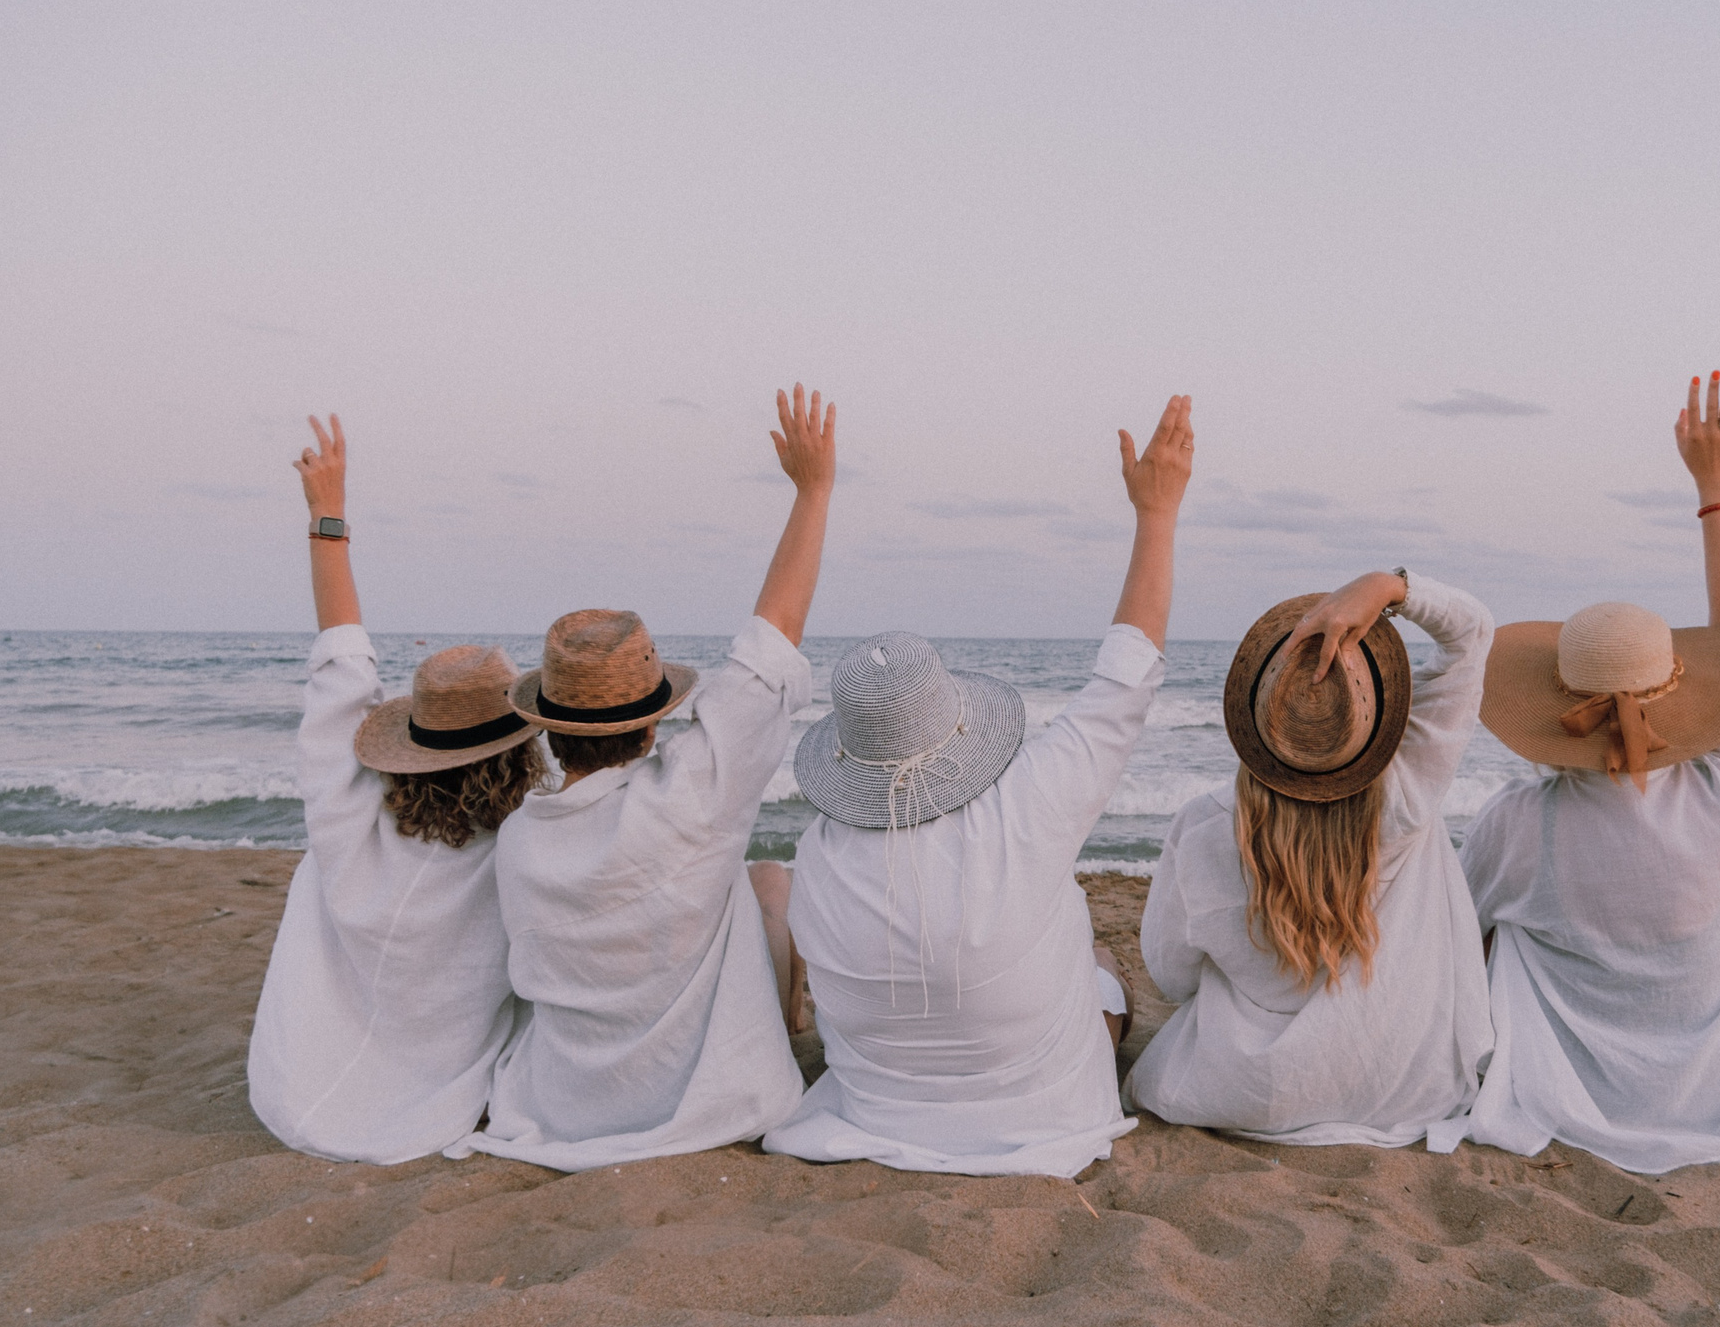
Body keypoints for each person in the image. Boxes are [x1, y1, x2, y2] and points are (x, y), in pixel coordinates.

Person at [763, 396, 1194, 1177]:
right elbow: (1129, 672)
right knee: (1101, 963)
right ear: (959, 729)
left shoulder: (818, 855)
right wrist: (1156, 513)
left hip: (874, 1111)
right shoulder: (1029, 803)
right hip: (1048, 1117)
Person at [446, 386, 836, 1171]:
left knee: (749, 880)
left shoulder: (521, 837)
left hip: (566, 1104)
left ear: (547, 729)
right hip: (713, 1097)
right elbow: (772, 641)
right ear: (657, 718)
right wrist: (814, 489)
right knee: (770, 882)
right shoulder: (696, 788)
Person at [1461, 372, 1720, 1175]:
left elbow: (1462, 935)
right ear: (1678, 696)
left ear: (1551, 709)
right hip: (1711, 1087)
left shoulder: (1519, 824)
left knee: (1500, 930)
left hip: (1568, 1092)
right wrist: (1715, 487)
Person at [249, 414, 546, 1165]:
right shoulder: (528, 841)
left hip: (297, 1092)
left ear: (412, 739)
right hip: (435, 1108)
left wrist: (327, 519)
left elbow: (340, 660)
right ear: (520, 746)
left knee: (321, 861)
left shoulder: (347, 809)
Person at [1124, 567, 1496, 1149]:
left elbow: (1170, 976)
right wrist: (1389, 586)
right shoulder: (1408, 795)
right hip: (1397, 1087)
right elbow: (1472, 632)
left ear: (1254, 708)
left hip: (1245, 1090)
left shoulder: (1201, 829)